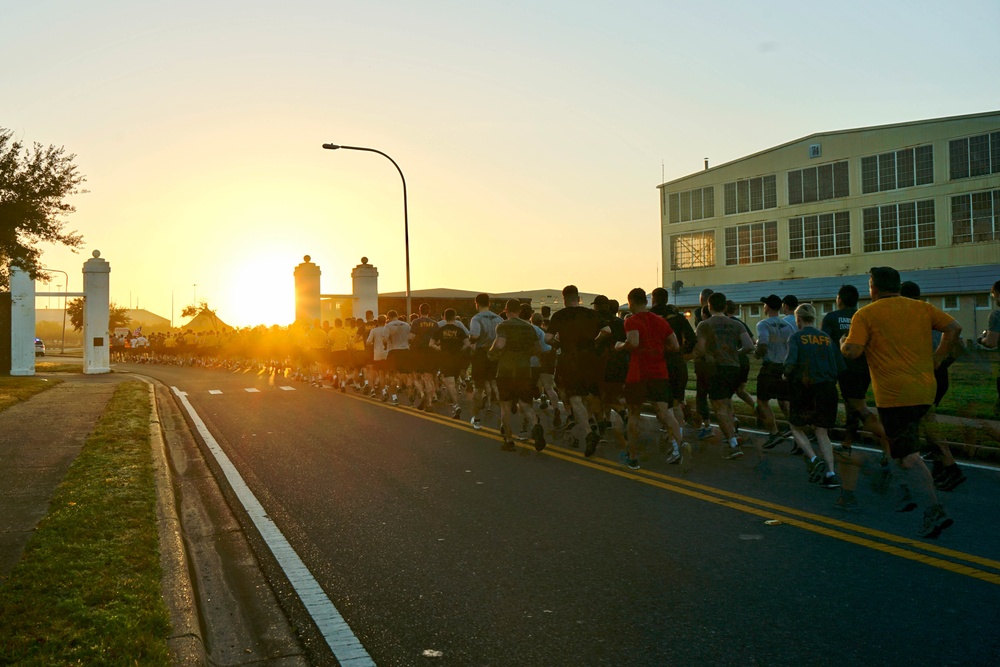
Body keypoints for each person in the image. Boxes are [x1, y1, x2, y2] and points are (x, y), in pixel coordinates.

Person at [841, 266, 962, 539]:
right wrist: (938, 357)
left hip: (895, 395)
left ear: (873, 286)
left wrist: (841, 343)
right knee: (900, 449)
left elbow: (852, 351)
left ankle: (934, 509)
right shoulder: (922, 308)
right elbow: (954, 328)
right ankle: (904, 493)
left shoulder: (865, 314)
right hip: (924, 389)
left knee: (908, 457)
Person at [899, 281, 966, 492]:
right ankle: (939, 466)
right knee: (925, 421)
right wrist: (943, 362)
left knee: (928, 422)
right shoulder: (932, 313)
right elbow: (960, 344)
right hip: (939, 374)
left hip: (925, 376)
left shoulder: (910, 317)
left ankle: (951, 467)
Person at [616, 287, 686, 470]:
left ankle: (632, 457)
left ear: (630, 302)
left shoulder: (632, 321)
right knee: (665, 412)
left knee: (633, 414)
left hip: (638, 374)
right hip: (659, 372)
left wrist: (620, 346)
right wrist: (660, 349)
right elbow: (676, 346)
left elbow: (633, 342)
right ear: (646, 302)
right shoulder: (661, 321)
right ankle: (680, 444)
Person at [783, 303, 845, 489]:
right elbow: (840, 366)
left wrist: (785, 374)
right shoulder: (826, 338)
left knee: (795, 426)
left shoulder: (796, 337)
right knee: (822, 431)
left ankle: (814, 458)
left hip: (805, 388)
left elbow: (791, 363)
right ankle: (831, 473)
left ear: (798, 319)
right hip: (827, 388)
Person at [546, 284, 611, 456]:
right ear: (579, 298)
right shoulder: (591, 313)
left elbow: (548, 338)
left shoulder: (560, 315)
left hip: (570, 358)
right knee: (590, 393)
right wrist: (595, 342)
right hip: (590, 358)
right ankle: (599, 421)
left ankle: (589, 433)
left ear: (564, 299)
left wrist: (558, 344)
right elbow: (607, 330)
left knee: (575, 398)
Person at [691, 292, 754, 459]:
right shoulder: (736, 324)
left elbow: (701, 348)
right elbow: (749, 346)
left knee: (719, 408)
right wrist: (735, 353)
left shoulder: (704, 325)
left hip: (716, 368)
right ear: (725, 307)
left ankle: (732, 444)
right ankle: (733, 435)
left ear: (709, 307)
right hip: (734, 367)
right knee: (726, 404)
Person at [490, 299, 544, 451]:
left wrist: (491, 352)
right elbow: (538, 349)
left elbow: (499, 344)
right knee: (525, 404)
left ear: (506, 311)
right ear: (519, 311)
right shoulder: (529, 328)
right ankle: (536, 425)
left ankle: (508, 439)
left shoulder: (503, 325)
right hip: (524, 370)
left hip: (506, 370)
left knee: (505, 406)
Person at [649, 287, 697, 437]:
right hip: (677, 363)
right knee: (677, 401)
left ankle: (668, 429)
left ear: (653, 299)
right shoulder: (678, 317)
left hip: (659, 364)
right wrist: (682, 352)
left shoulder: (650, 317)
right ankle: (679, 433)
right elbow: (692, 339)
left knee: (661, 402)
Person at [756, 294, 796, 451]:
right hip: (784, 367)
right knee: (786, 402)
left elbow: (763, 343)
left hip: (770, 367)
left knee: (762, 401)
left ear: (767, 307)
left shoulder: (763, 324)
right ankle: (798, 435)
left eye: (764, 305)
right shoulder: (788, 326)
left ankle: (774, 432)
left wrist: (757, 353)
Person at [469, 293, 503, 430]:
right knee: (496, 386)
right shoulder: (499, 318)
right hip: (495, 354)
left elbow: (475, 335)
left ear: (476, 303)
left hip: (481, 354)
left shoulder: (476, 318)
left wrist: (471, 340)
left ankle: (477, 419)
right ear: (489, 303)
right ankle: (503, 420)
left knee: (478, 388)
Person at [429, 308, 469, 419]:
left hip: (446, 358)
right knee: (455, 382)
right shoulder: (459, 330)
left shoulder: (441, 330)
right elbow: (467, 344)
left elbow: (431, 344)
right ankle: (455, 402)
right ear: (454, 317)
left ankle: (456, 405)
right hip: (457, 358)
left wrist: (439, 349)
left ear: (444, 317)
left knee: (448, 381)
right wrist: (460, 350)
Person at [693, 288, 715, 439]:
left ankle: (707, 425)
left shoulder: (701, 319)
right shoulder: (726, 319)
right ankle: (732, 423)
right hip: (722, 360)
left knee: (701, 394)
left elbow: (699, 340)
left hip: (704, 361)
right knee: (721, 396)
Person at [976, 279, 1000, 416]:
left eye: (993, 296)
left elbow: (991, 342)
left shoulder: (996, 315)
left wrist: (981, 339)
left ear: (997, 293)